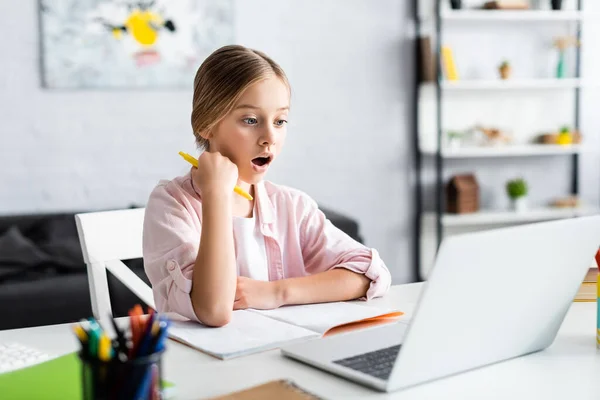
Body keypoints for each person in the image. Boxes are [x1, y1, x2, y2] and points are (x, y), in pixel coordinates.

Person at [142, 45, 391, 327]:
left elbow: (370, 273)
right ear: (206, 124)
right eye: (250, 120)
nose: (269, 137)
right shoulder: (171, 205)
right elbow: (213, 310)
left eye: (280, 121)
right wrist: (216, 195)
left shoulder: (292, 206)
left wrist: (275, 292)